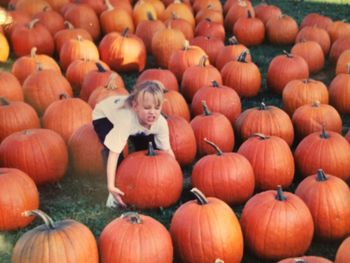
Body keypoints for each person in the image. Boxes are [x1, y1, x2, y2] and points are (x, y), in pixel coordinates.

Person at [92, 80, 175, 208]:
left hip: (133, 120)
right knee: (115, 152)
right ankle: (114, 194)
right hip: (104, 115)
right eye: (147, 108)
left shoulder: (160, 123)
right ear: (136, 107)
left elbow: (167, 151)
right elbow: (114, 154)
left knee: (148, 148)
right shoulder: (126, 120)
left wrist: (175, 175)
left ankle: (141, 180)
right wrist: (110, 186)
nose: (152, 112)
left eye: (156, 108)